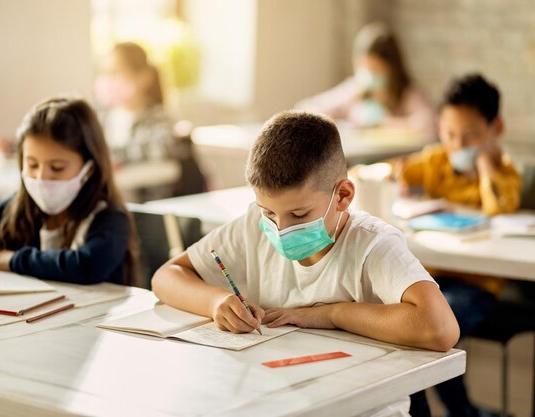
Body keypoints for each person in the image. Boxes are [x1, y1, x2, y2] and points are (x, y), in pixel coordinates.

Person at [152, 110, 459, 417]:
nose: (281, 229)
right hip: (283, 402)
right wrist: (216, 302)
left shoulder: (371, 244)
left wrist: (333, 314)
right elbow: (167, 276)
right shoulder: (251, 227)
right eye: (269, 214)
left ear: (343, 195)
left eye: (298, 216)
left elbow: (440, 329)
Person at [397, 74, 522, 417]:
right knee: (408, 341)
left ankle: (460, 411)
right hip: (432, 279)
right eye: (450, 134)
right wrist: (403, 179)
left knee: (429, 337)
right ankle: (459, 411)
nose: (458, 145)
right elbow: (401, 173)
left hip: (477, 285)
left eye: (470, 137)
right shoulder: (436, 161)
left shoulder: (505, 171)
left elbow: (498, 205)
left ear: (495, 127)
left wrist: (485, 165)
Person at [0, 97, 138, 286]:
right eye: (32, 165)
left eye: (57, 168)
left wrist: (12, 260)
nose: (41, 178)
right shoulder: (17, 208)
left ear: (88, 169)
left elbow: (87, 265)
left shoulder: (110, 218)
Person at [295, 22, 435, 138]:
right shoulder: (355, 90)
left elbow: (430, 125)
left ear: (393, 68)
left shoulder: (409, 94)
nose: (369, 75)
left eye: (375, 69)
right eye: (363, 68)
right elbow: (307, 109)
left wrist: (384, 122)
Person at [94, 41, 174, 168]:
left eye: (115, 72)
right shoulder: (98, 117)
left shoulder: (160, 118)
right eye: (104, 72)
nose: (107, 79)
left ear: (144, 77)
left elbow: (158, 151)